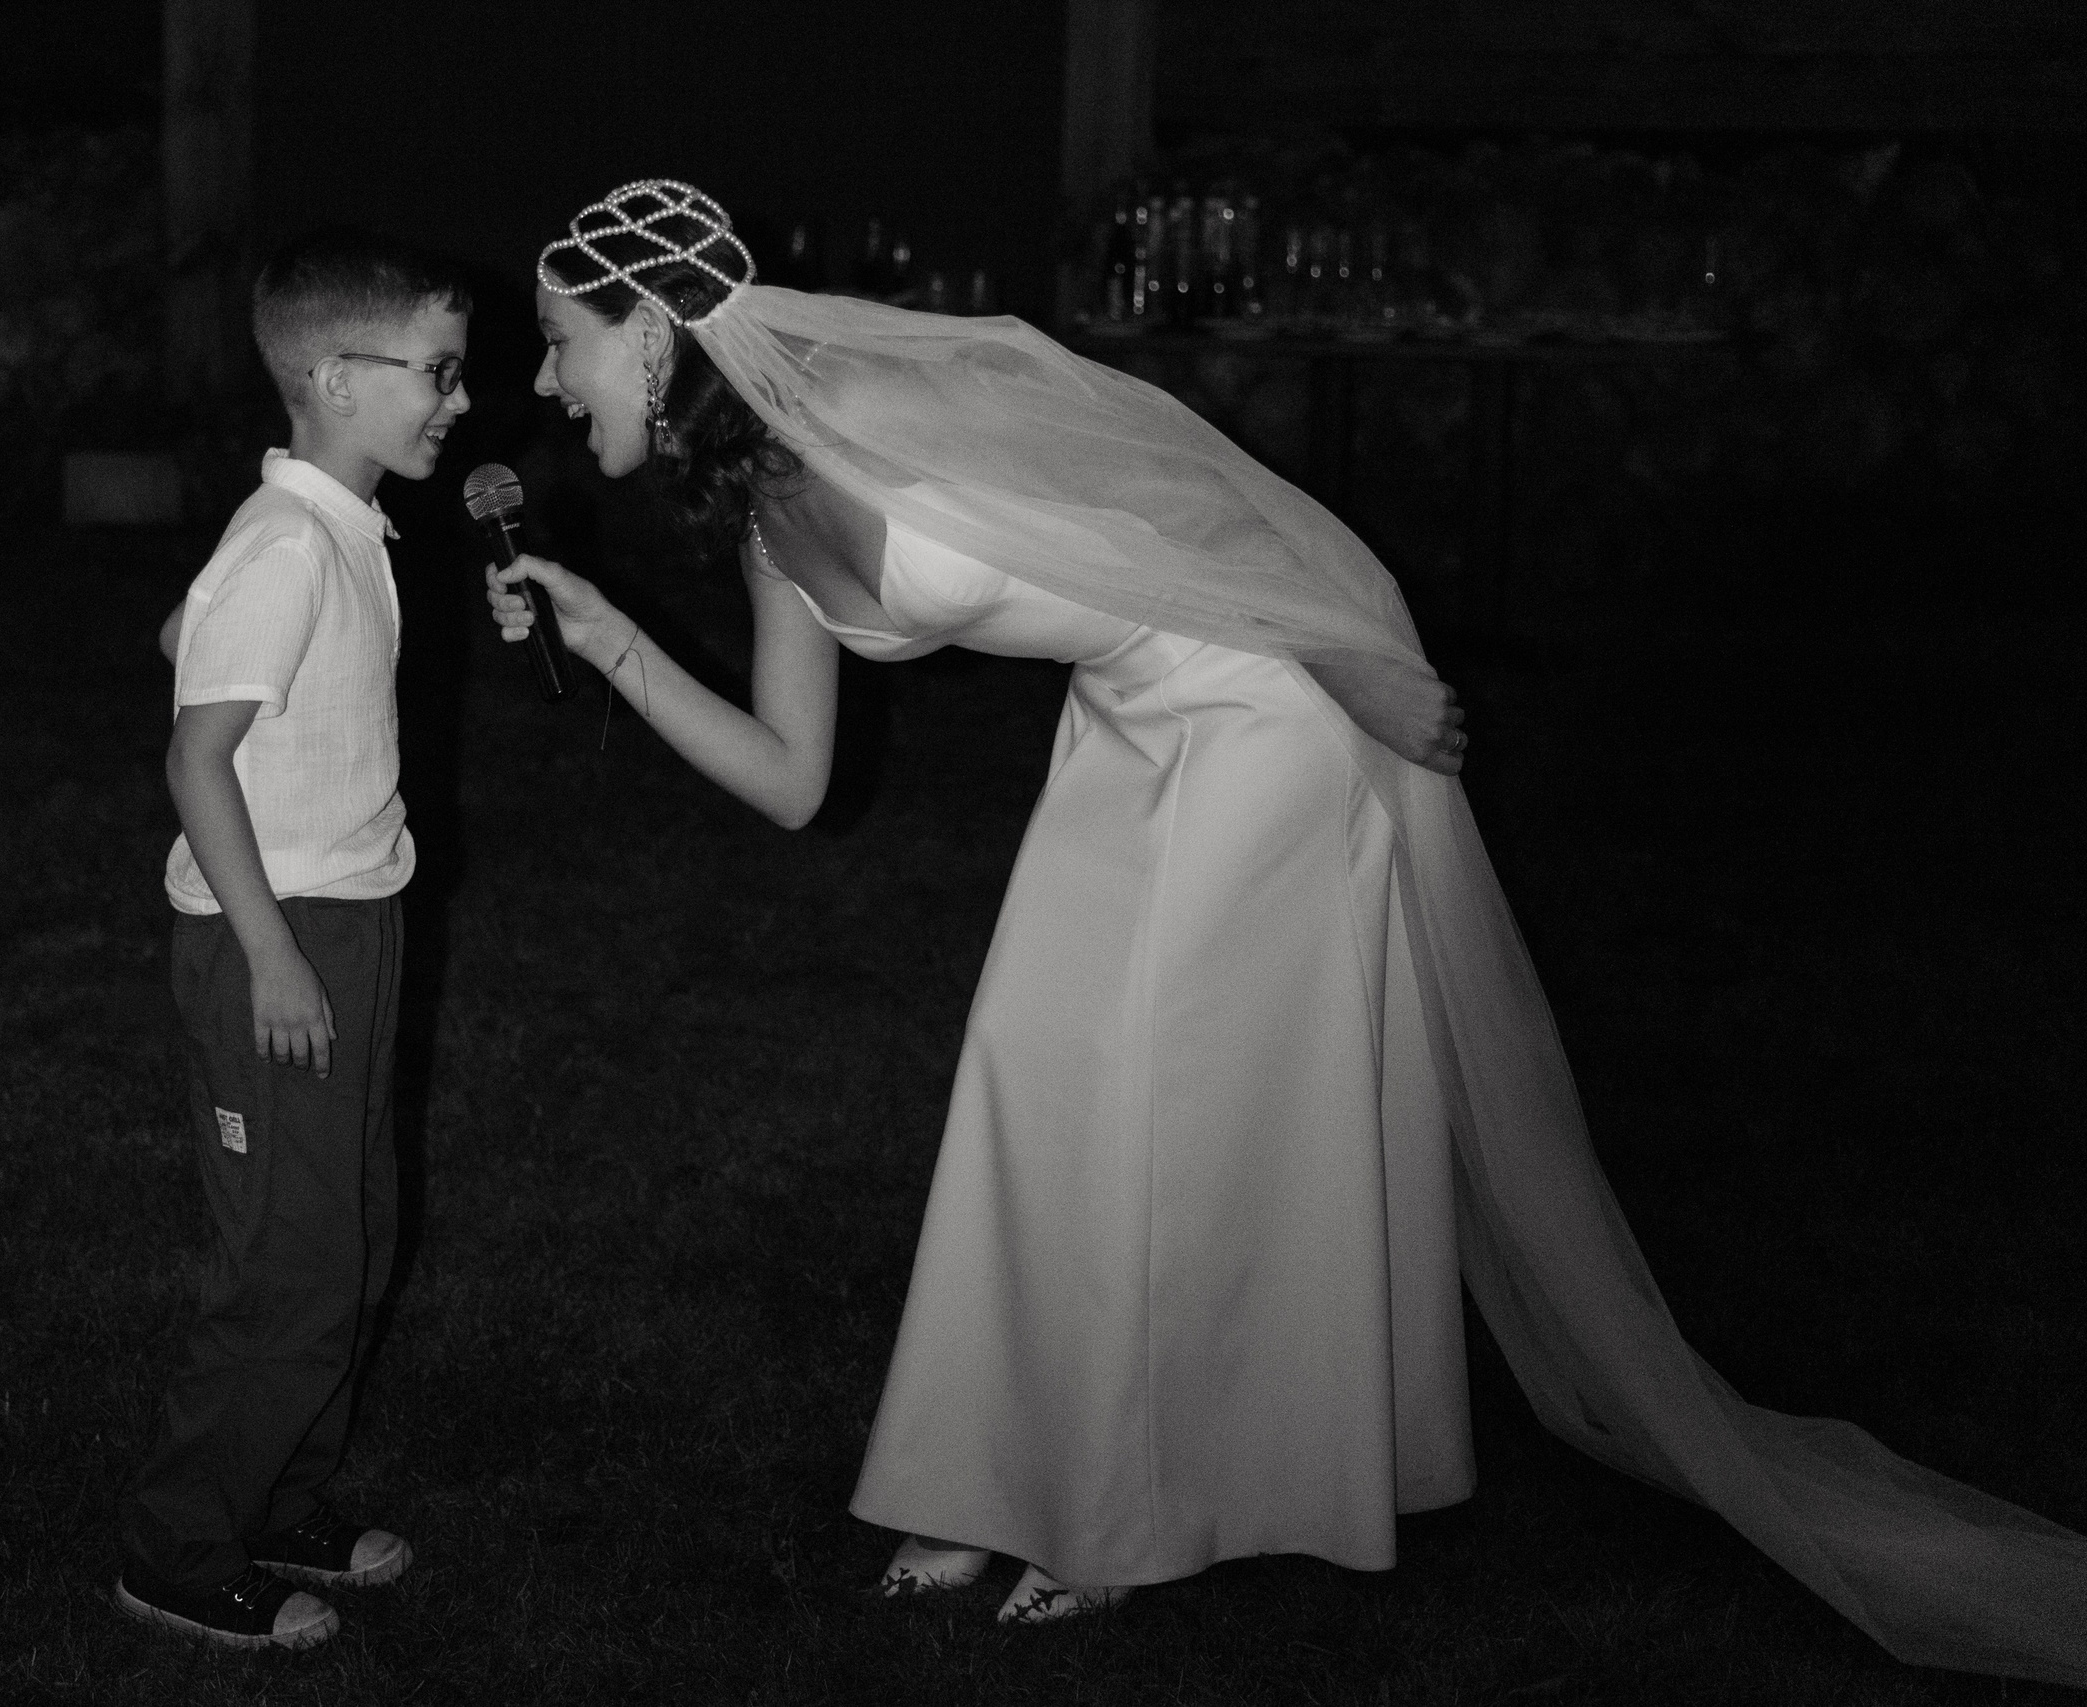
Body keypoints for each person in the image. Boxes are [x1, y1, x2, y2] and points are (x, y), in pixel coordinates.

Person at [485, 181, 2087, 1677]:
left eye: (560, 341)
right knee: (1032, 1074)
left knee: (1154, 1097)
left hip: (1268, 702)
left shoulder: (884, 416)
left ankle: (1121, 1515)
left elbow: (1199, 503)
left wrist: (1358, 664)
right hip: (1131, 716)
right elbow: (790, 780)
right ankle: (983, 1476)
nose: (547, 383)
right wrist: (611, 636)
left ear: (651, 329)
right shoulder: (764, 514)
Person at [114, 226, 469, 1651]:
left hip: (348, 917)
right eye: (436, 372)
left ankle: (284, 1497)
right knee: (282, 1261)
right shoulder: (290, 542)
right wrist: (270, 953)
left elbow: (182, 638)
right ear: (335, 379)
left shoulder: (327, 527)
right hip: (281, 935)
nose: (457, 400)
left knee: (350, 1233)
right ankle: (180, 1547)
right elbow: (195, 761)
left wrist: (209, 622)